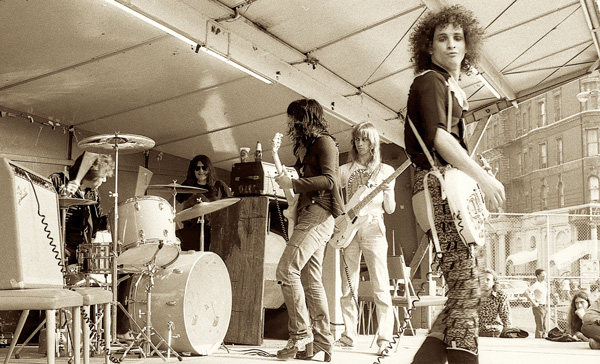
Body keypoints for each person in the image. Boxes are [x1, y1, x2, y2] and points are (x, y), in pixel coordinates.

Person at [403, 5, 505, 364]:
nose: (451, 45)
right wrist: (484, 177)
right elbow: (440, 140)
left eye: (457, 38)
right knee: (467, 287)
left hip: (438, 190)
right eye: (441, 39)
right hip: (438, 189)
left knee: (466, 289)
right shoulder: (431, 81)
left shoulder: (445, 84)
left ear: (467, 46)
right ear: (428, 48)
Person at [273, 98, 344, 361]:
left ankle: (300, 334)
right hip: (308, 212)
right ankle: (323, 344)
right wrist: (288, 176)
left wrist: (294, 181)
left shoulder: (325, 142)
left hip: (319, 212)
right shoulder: (306, 146)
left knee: (286, 269)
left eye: (292, 117)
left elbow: (329, 180)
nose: (289, 123)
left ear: (304, 117)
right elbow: (306, 177)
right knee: (311, 280)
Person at [336, 122, 395, 355]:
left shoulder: (385, 171)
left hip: (373, 226)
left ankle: (384, 339)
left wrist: (388, 191)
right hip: (350, 229)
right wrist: (340, 218)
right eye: (357, 139)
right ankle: (349, 335)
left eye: (365, 139)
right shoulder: (344, 170)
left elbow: (390, 209)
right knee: (347, 285)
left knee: (380, 284)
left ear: (373, 143)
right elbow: (334, 196)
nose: (360, 144)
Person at [49, 152, 114, 267]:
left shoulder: (93, 193)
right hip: (58, 251)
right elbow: (42, 213)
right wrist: (60, 196)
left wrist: (111, 219)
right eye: (102, 176)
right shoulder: (57, 180)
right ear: (90, 174)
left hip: (83, 254)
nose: (104, 180)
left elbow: (97, 223)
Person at [175, 154, 232, 252]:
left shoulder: (219, 185)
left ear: (209, 169)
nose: (201, 171)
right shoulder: (187, 185)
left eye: (204, 168)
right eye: (197, 168)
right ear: (193, 170)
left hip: (215, 229)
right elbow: (176, 203)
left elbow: (231, 205)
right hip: (192, 231)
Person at [478, 268, 511, 337]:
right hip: (476, 331)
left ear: (493, 282)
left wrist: (507, 332)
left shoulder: (500, 295)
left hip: (494, 331)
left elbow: (505, 316)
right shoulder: (472, 296)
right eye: (482, 279)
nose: (484, 282)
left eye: (488, 279)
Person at [524, 268, 548, 338]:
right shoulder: (536, 284)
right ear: (538, 276)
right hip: (538, 307)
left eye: (545, 275)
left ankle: (543, 340)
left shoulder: (544, 284)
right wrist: (534, 302)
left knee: (544, 326)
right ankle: (538, 340)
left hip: (544, 306)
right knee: (539, 326)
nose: (544, 276)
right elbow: (526, 292)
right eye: (542, 275)